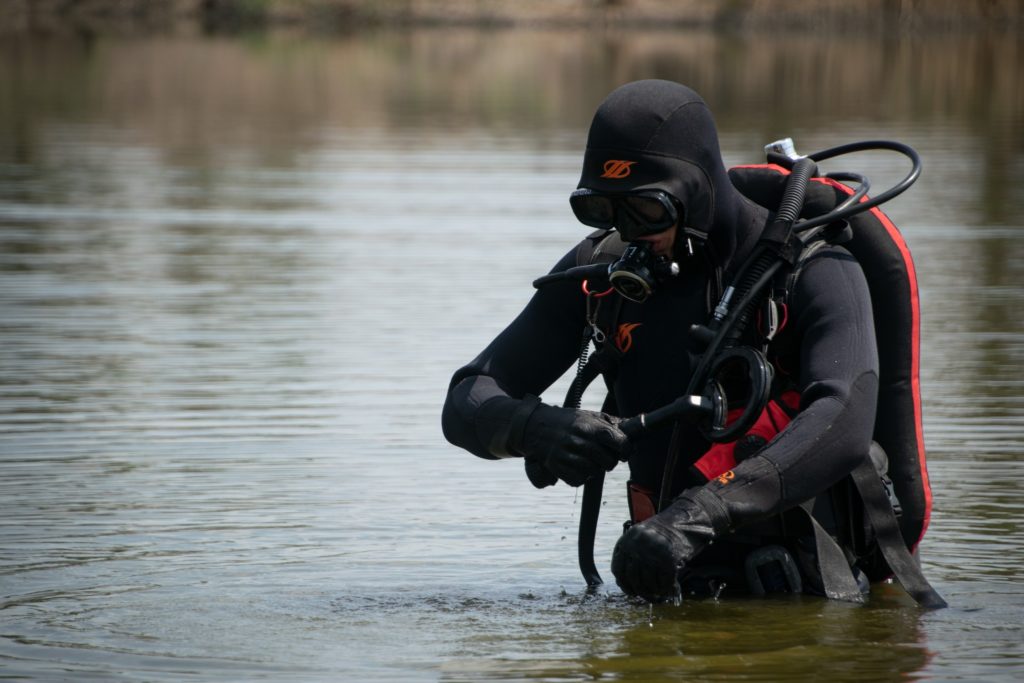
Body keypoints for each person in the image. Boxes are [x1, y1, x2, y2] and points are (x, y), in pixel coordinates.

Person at [441, 79, 923, 603]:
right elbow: (466, 399)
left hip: (805, 601)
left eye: (647, 211)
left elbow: (843, 420)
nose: (628, 232)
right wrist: (534, 427)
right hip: (666, 585)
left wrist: (697, 517)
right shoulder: (605, 274)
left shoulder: (816, 269)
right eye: (603, 210)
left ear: (695, 189)